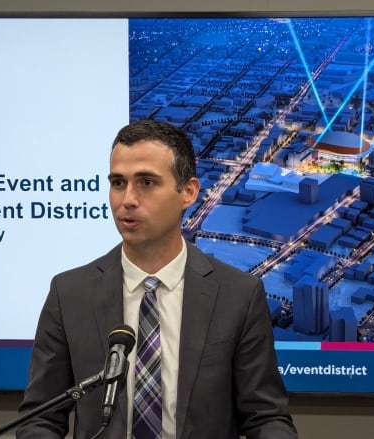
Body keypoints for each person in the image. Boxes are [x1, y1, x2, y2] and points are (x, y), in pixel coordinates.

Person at [16, 119, 298, 439]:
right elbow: (39, 419)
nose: (128, 200)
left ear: (188, 192)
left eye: (147, 182)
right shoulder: (70, 294)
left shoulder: (238, 295)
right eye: (118, 183)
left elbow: (266, 418)